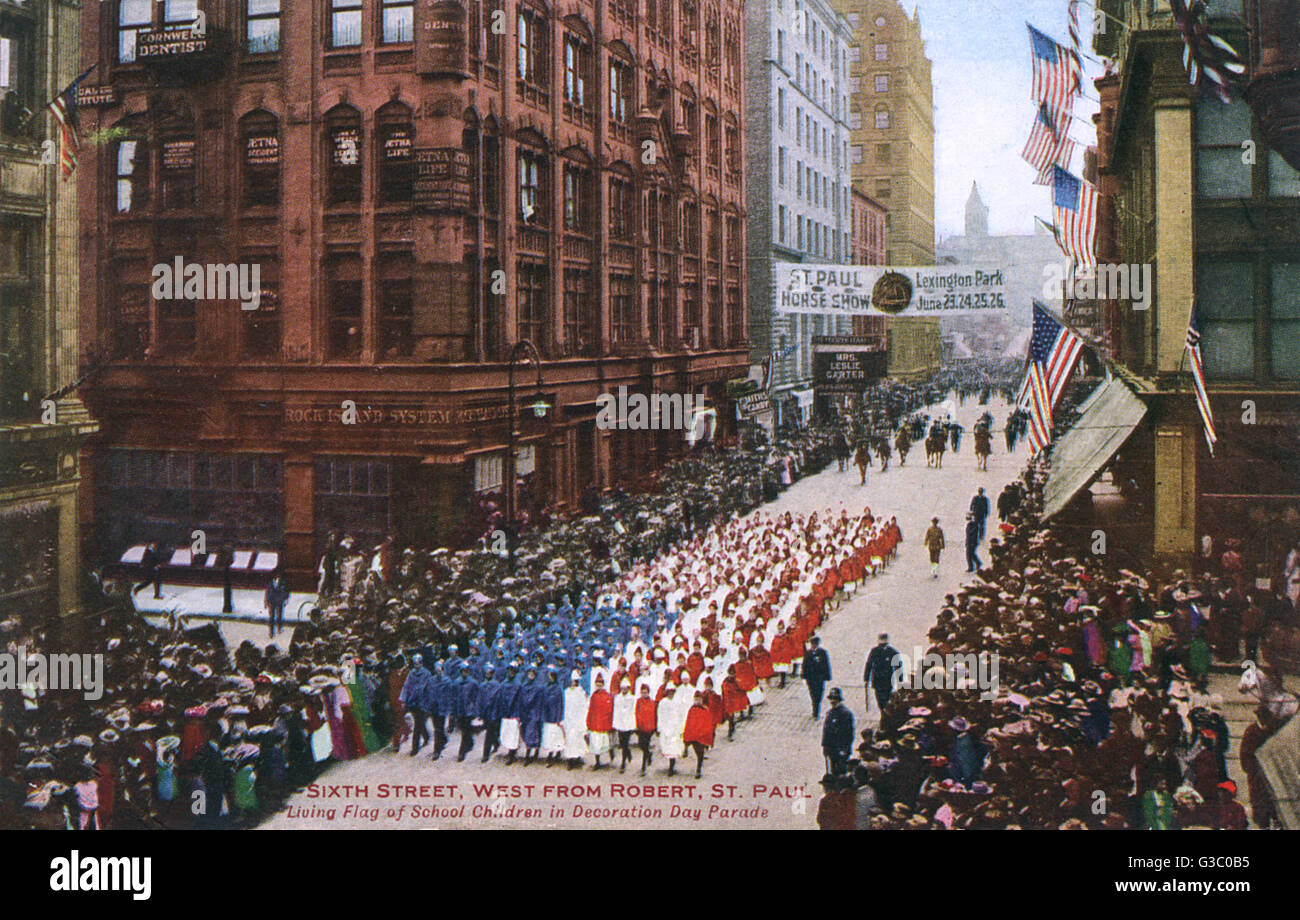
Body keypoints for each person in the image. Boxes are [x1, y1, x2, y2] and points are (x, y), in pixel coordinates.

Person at [398, 653, 434, 756]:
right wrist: (404, 699)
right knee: (419, 723)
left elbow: (427, 689)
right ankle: (426, 736)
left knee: (418, 724)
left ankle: (415, 747)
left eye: (417, 664)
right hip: (413, 702)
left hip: (423, 702)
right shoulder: (412, 673)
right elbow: (406, 686)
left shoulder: (427, 674)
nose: (416, 666)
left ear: (421, 663)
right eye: (414, 664)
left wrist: (429, 702)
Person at [863, 633, 899, 717]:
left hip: (887, 682)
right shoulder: (875, 651)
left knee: (886, 701)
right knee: (880, 701)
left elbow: (898, 667)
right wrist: (866, 678)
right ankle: (883, 715)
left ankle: (885, 716)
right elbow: (869, 665)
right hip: (877, 682)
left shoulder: (892, 652)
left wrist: (900, 681)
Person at [821, 688, 854, 778]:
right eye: (831, 698)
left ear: (839, 699)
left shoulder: (845, 714)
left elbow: (848, 734)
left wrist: (844, 749)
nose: (832, 701)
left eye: (834, 698)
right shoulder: (830, 712)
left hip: (840, 749)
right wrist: (825, 746)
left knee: (841, 773)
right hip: (831, 749)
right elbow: (826, 731)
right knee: (832, 772)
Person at [682, 691, 715, 778]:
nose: (697, 701)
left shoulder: (705, 710)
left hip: (701, 736)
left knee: (700, 753)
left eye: (699, 699)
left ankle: (698, 769)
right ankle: (686, 749)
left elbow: (708, 724)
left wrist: (706, 735)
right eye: (696, 699)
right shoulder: (692, 709)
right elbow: (688, 722)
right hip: (693, 735)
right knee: (696, 750)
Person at [586, 673, 614, 768]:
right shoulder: (594, 696)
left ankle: (610, 751)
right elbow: (591, 709)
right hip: (595, 723)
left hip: (603, 723)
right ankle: (597, 761)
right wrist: (589, 722)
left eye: (600, 685)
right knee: (595, 743)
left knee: (603, 742)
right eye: (597, 685)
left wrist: (609, 723)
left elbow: (609, 711)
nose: (598, 686)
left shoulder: (607, 696)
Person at [803, 636, 832, 719]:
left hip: (820, 678)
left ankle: (816, 709)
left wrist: (827, 676)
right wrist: (804, 676)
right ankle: (815, 708)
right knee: (812, 693)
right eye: (812, 644)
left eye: (815, 644)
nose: (814, 646)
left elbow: (826, 664)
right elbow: (805, 665)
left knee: (819, 694)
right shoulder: (808, 653)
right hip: (811, 678)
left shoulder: (822, 653)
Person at [612, 677, 637, 773]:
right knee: (622, 743)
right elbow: (616, 711)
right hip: (620, 722)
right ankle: (628, 752)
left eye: (626, 688)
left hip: (628, 723)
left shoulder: (632, 698)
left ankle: (623, 762)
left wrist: (633, 724)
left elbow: (633, 711)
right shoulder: (618, 698)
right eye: (622, 688)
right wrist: (615, 723)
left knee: (625, 742)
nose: (624, 690)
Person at [634, 682, 657, 776]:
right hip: (640, 727)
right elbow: (636, 712)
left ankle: (643, 767)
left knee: (646, 745)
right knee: (641, 745)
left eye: (645, 692)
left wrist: (654, 727)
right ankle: (649, 754)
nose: (644, 694)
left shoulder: (652, 702)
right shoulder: (639, 701)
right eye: (642, 692)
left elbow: (654, 715)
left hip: (649, 728)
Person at [265, 569, 290, 638]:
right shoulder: (271, 582)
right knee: (272, 617)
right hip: (272, 601)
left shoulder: (284, 582)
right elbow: (268, 592)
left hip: (280, 600)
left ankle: (279, 628)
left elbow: (287, 591)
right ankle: (271, 632)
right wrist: (266, 601)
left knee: (280, 616)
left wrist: (286, 599)